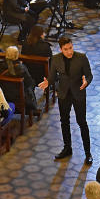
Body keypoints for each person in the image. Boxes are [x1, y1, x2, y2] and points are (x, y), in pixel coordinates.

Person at [40, 36, 93, 164]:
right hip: (63, 94)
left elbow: (89, 75)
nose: (69, 51)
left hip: (78, 93)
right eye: (66, 49)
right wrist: (48, 82)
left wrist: (86, 82)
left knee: (82, 122)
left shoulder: (81, 58)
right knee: (64, 121)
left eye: (71, 48)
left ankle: (88, 153)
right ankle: (67, 148)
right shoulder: (56, 59)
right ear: (61, 49)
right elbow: (52, 77)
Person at [0, 45, 38, 115]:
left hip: (4, 94)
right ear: (17, 55)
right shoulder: (21, 68)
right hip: (18, 96)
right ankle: (30, 107)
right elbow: (29, 83)